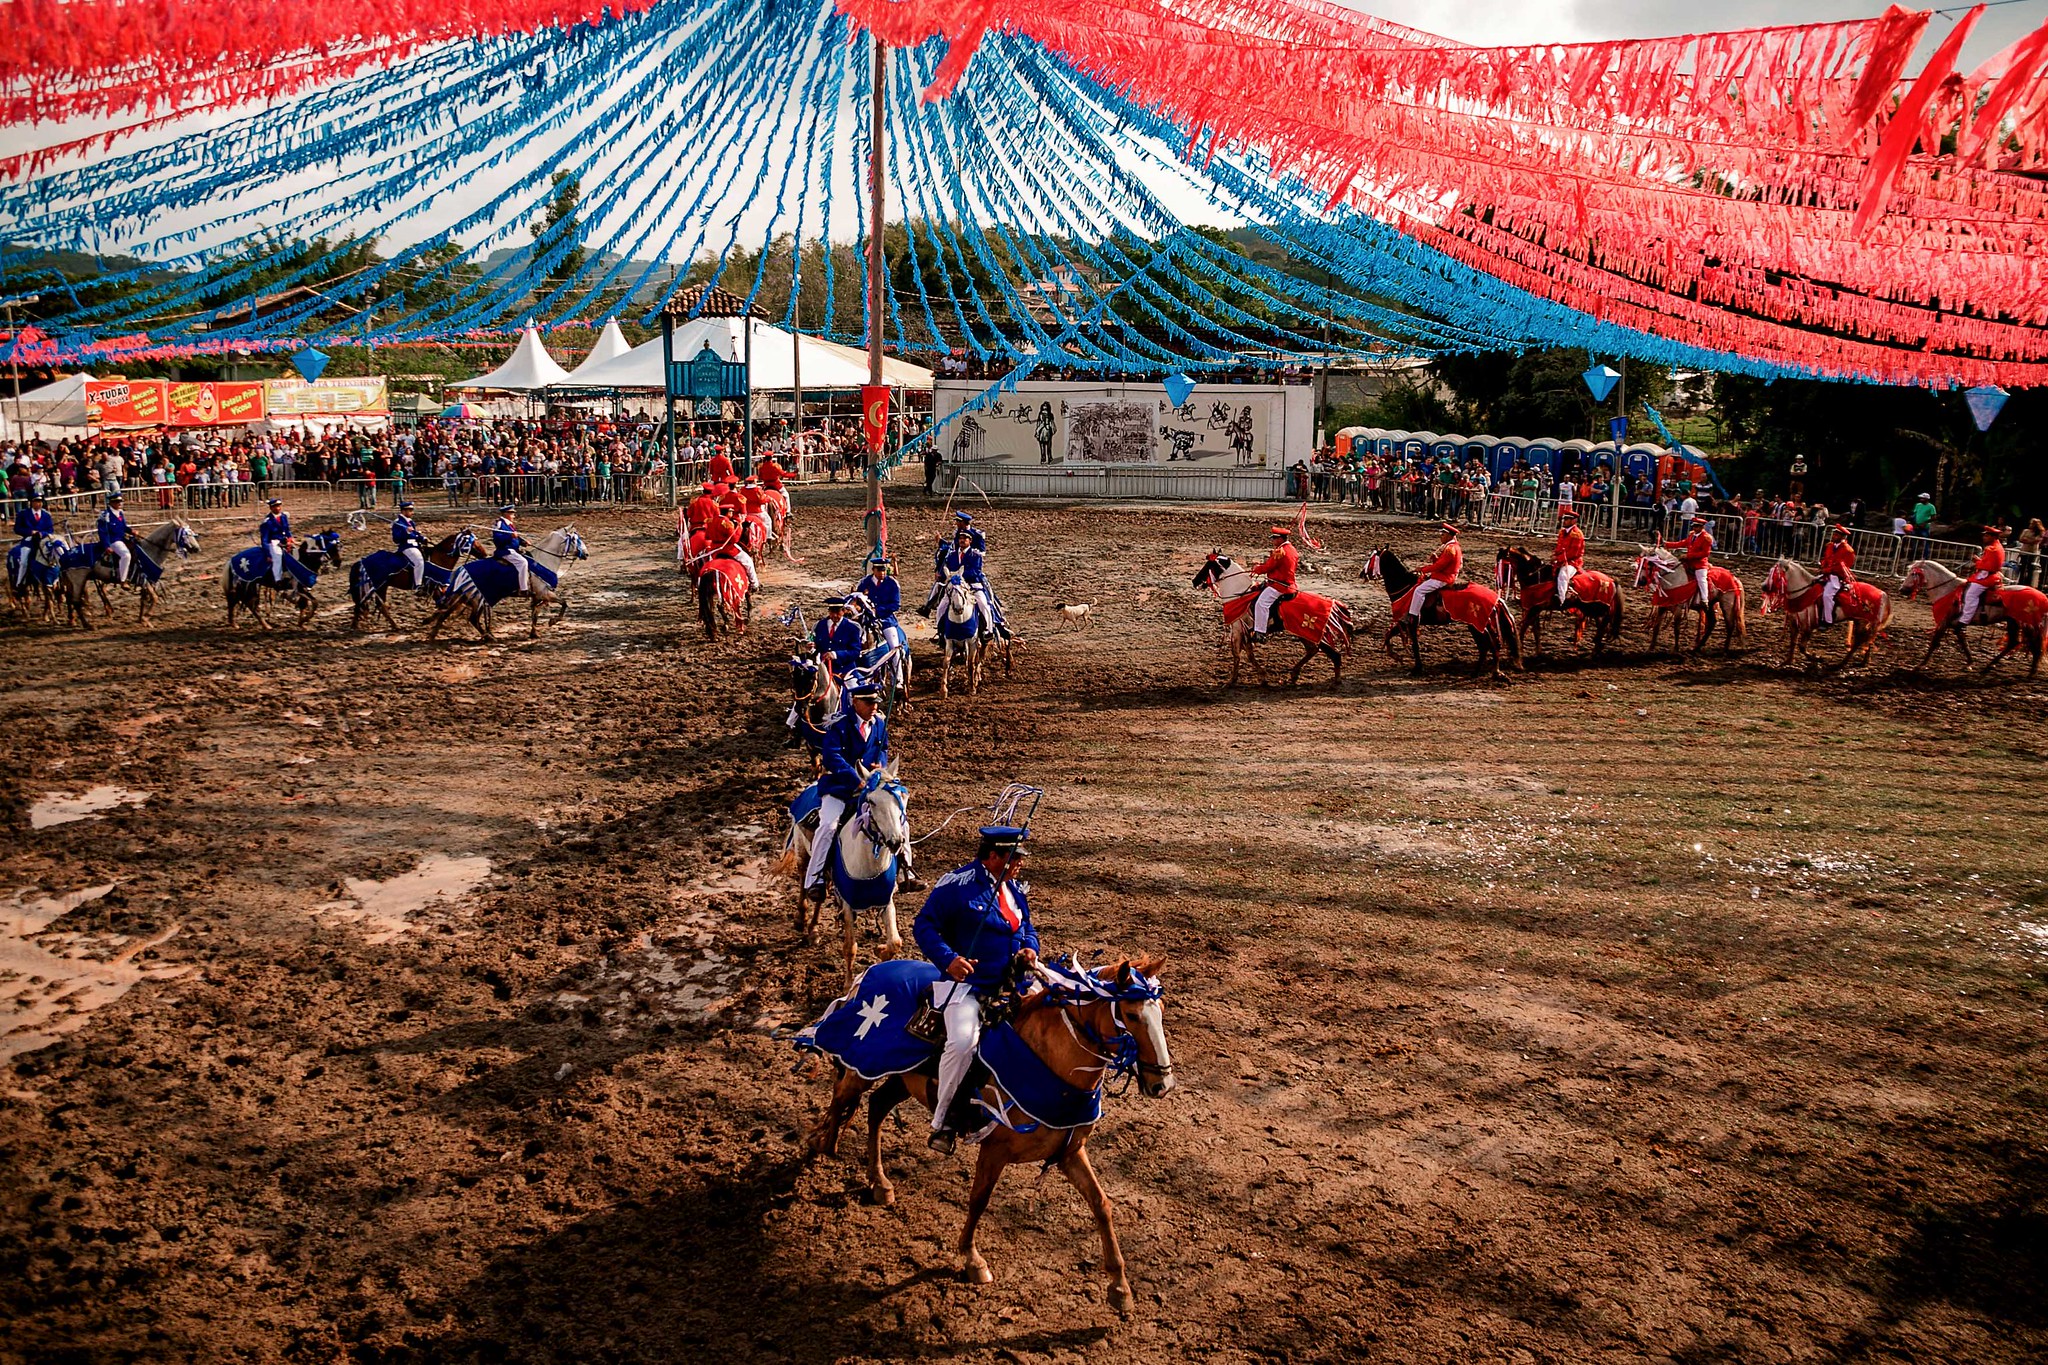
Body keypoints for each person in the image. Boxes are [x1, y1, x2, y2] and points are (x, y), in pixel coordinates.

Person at [913, 823, 1039, 1152]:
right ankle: (944, 1120)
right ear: (993, 856)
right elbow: (924, 925)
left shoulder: (1015, 890)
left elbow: (1026, 926)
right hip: (968, 988)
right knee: (963, 1042)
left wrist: (1030, 948)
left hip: (1012, 984)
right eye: (1014, 857)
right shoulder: (957, 886)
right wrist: (949, 959)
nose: (1020, 863)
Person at [802, 675, 891, 902]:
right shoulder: (839, 724)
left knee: (897, 818)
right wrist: (855, 779)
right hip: (840, 788)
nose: (875, 707)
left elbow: (883, 748)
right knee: (829, 826)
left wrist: (880, 763)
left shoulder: (879, 723)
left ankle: (905, 869)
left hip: (870, 787)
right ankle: (815, 878)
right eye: (869, 703)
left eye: (877, 702)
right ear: (855, 702)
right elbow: (832, 757)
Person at [1247, 524, 1298, 641]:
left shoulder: (1280, 551)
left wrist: (1257, 568)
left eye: (1274, 538)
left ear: (1280, 538)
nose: (1273, 541)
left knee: (1261, 604)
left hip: (1279, 585)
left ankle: (1260, 632)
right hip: (1289, 583)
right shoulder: (1292, 549)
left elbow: (1268, 567)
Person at [1409, 522, 1462, 619]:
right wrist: (1435, 559)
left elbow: (1439, 566)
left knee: (1419, 590)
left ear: (1449, 536)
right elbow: (1444, 563)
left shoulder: (1450, 549)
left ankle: (1413, 616)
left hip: (1444, 578)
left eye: (1443, 535)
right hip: (1446, 575)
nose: (1441, 537)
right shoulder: (1453, 547)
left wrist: (1422, 569)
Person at [1959, 524, 2006, 625]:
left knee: (1971, 594)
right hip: (1988, 574)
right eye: (1984, 535)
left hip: (1988, 576)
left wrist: (1977, 561)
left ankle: (1964, 620)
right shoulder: (1995, 547)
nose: (1984, 537)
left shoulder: (1992, 549)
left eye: (1987, 536)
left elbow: (1988, 567)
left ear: (1993, 537)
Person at [1663, 516, 1714, 606]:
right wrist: (1667, 544)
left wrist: (1688, 556)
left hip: (1699, 564)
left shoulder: (1706, 538)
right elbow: (1682, 543)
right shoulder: (1692, 535)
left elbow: (1705, 553)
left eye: (1697, 526)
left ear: (1702, 527)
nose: (1695, 528)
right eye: (1694, 526)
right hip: (1688, 562)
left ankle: (1704, 599)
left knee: (1702, 579)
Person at [13, 489, 53, 588]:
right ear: (31, 502)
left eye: (40, 501)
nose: (39, 504)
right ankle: (20, 583)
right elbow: (17, 528)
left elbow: (50, 530)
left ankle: (56, 580)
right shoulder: (23, 514)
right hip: (29, 541)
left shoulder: (46, 515)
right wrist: (30, 532)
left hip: (43, 541)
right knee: (24, 561)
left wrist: (42, 534)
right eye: (36, 501)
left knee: (55, 556)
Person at [813, 596, 864, 676]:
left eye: (837, 612)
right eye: (832, 612)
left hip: (845, 671)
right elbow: (818, 645)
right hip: (824, 670)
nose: (835, 615)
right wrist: (813, 646)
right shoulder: (820, 625)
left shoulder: (852, 628)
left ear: (843, 611)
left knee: (858, 687)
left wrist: (835, 654)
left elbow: (855, 652)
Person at [1818, 523, 1856, 625]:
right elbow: (1825, 559)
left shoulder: (1848, 550)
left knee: (1827, 595)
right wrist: (1823, 566)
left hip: (1838, 577)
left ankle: (1827, 620)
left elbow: (1843, 566)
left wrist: (1827, 570)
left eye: (1836, 535)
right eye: (1833, 534)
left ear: (1842, 537)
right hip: (1826, 574)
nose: (1833, 536)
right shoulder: (1830, 546)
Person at [492, 504, 531, 592]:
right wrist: (510, 536)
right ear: (505, 513)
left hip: (514, 549)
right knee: (523, 562)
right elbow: (497, 539)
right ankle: (523, 589)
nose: (514, 516)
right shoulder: (499, 524)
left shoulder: (509, 524)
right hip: (505, 550)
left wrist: (523, 542)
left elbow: (515, 536)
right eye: (512, 513)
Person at [259, 496, 294, 586]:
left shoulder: (284, 517)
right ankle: (277, 579)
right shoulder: (267, 521)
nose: (278, 508)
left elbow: (287, 530)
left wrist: (290, 538)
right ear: (271, 508)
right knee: (277, 557)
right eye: (275, 506)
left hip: (285, 540)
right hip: (274, 542)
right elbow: (265, 539)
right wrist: (267, 553)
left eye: (279, 506)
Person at [97, 492, 132, 582]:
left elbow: (123, 526)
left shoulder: (120, 513)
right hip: (113, 541)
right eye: (117, 502)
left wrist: (131, 531)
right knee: (126, 555)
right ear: (111, 503)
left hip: (122, 538)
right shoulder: (106, 515)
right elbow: (103, 532)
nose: (120, 504)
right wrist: (106, 546)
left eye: (120, 502)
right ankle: (123, 579)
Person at [391, 499, 426, 589]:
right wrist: (406, 532)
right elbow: (396, 539)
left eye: (412, 510)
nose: (412, 513)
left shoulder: (410, 522)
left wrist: (422, 538)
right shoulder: (398, 523)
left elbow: (415, 534)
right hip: (407, 546)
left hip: (416, 545)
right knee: (419, 561)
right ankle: (418, 584)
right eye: (410, 510)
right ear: (403, 511)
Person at [1552, 507, 1584, 603]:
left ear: (1573, 521)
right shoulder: (1562, 532)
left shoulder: (1577, 534)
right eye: (1564, 519)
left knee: (1563, 575)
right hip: (1561, 560)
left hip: (1573, 562)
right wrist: (1554, 555)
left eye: (1567, 519)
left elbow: (1573, 553)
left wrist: (1558, 558)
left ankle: (1562, 600)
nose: (1564, 521)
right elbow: (1559, 547)